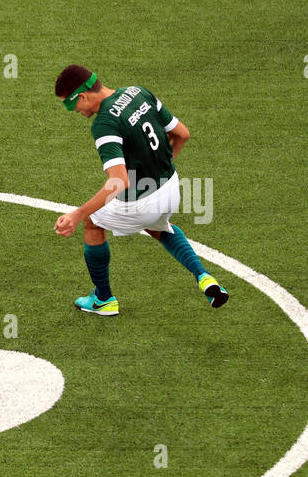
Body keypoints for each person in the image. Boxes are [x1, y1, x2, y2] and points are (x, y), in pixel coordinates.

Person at [53, 65, 228, 316]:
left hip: (141, 201)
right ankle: (204, 277)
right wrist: (159, 166)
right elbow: (182, 134)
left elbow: (119, 182)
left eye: (71, 106)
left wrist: (77, 214)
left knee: (92, 221)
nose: (75, 112)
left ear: (82, 96)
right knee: (159, 227)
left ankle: (103, 299)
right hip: (170, 189)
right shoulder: (138, 92)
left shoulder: (103, 124)